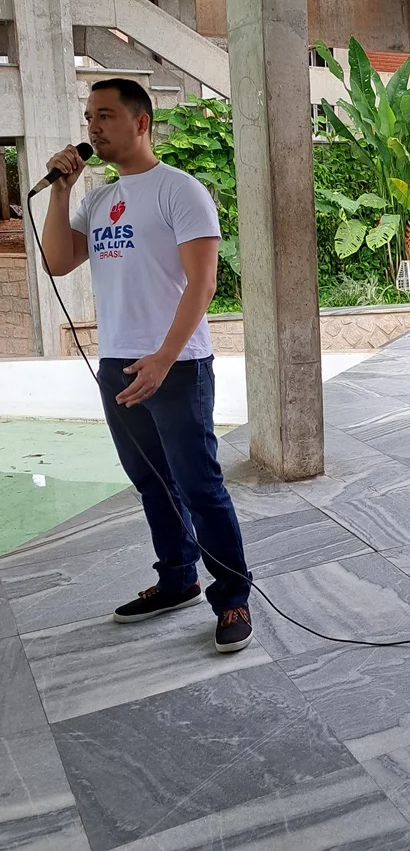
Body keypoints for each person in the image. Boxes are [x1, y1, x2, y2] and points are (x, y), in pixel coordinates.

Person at [41, 78, 253, 653]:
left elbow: (203, 283)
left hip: (177, 366)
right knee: (152, 482)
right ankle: (177, 579)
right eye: (89, 116)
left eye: (106, 115)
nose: (93, 127)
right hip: (118, 363)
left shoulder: (180, 191)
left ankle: (233, 597)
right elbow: (58, 262)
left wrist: (163, 357)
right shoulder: (96, 200)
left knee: (200, 485)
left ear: (141, 122)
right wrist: (61, 193)